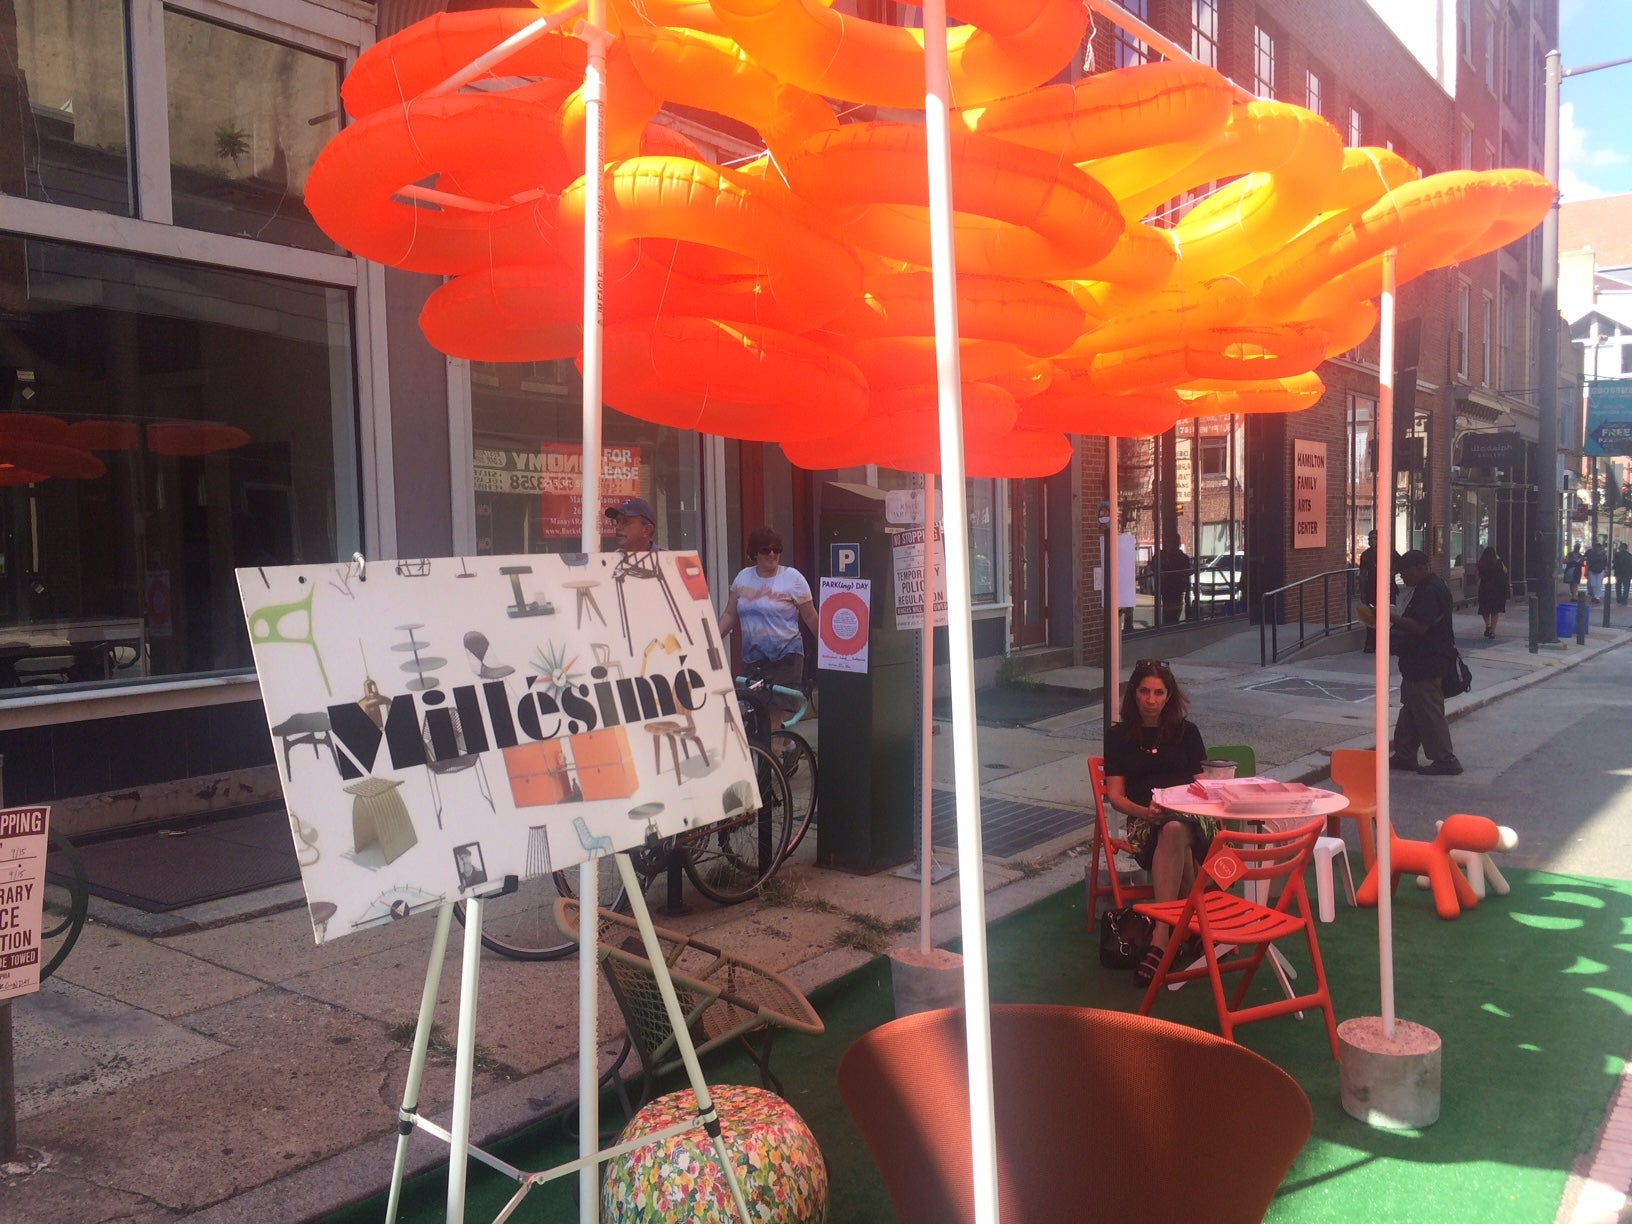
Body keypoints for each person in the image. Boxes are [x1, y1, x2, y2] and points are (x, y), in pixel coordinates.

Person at [1101, 660, 1211, 985]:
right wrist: (1144, 811)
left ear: (1169, 696)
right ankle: (1191, 927)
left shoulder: (1187, 733)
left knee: (1178, 826)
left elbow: (1202, 785)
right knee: (1172, 831)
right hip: (1144, 819)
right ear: (1134, 694)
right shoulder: (1118, 737)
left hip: (1192, 817)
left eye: (1158, 692)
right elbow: (1116, 797)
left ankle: (1162, 937)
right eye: (1145, 691)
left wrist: (1185, 805)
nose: (1151, 699)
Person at [717, 526, 818, 733]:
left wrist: (830, 650)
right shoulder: (743, 578)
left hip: (785, 655)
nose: (772, 554)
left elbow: (809, 616)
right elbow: (730, 614)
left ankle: (771, 763)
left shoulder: (793, 579)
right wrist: (711, 641)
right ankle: (787, 749)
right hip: (753, 658)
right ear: (754, 553)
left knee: (772, 715)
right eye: (765, 549)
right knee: (756, 712)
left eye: (776, 549)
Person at [1388, 550, 1462, 776]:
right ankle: (1405, 754)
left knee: (1429, 712)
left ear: (1421, 567)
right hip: (1417, 662)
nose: (1404, 577)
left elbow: (1421, 626)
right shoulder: (1426, 588)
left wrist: (1389, 617)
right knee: (1412, 709)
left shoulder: (1431, 590)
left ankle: (1445, 759)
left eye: (1405, 572)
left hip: (1427, 661)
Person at [1357, 529, 1400, 653]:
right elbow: (1363, 574)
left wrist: (1391, 573)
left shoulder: (1390, 552)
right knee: (1371, 617)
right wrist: (1362, 592)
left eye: (1375, 538)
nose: (1372, 541)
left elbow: (1401, 564)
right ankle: (1371, 644)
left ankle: (1390, 645)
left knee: (1389, 617)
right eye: (1370, 539)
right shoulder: (1366, 555)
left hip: (1388, 588)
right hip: (1372, 589)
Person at [1475, 546, 1510, 639]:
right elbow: (1505, 571)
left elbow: (1478, 576)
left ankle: (1488, 625)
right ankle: (1493, 631)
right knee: (1495, 611)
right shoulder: (1498, 563)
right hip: (1496, 590)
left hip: (1484, 589)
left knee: (1485, 609)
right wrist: (1499, 559)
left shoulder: (1481, 563)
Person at [1158, 541, 1192, 624]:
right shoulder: (1183, 557)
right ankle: (1173, 623)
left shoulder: (1179, 557)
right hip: (1174, 587)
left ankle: (1170, 624)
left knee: (1170, 609)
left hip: (1173, 587)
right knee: (1173, 609)